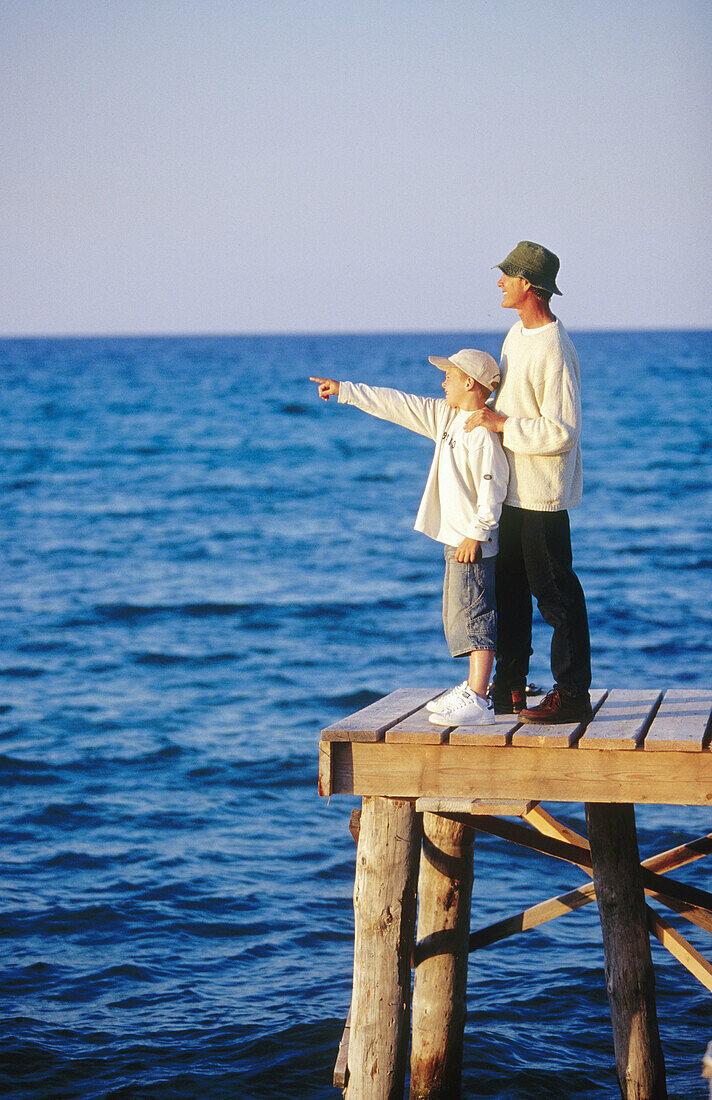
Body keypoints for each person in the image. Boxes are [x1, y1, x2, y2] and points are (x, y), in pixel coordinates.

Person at [310, 350, 509, 726]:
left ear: (469, 382)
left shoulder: (481, 433)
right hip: (458, 539)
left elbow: (493, 488)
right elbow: (398, 404)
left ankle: (479, 697)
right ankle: (472, 688)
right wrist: (345, 390)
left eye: (448, 376)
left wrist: (477, 534)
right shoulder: (448, 417)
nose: (442, 382)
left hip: (472, 543)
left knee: (475, 614)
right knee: (460, 614)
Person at [464, 240, 592, 724]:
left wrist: (501, 426)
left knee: (557, 595)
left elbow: (562, 431)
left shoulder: (554, 347)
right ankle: (510, 688)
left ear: (528, 286)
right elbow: (507, 398)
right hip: (511, 490)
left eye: (506, 275)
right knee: (510, 592)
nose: (499, 282)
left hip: (542, 494)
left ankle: (573, 694)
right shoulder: (515, 336)